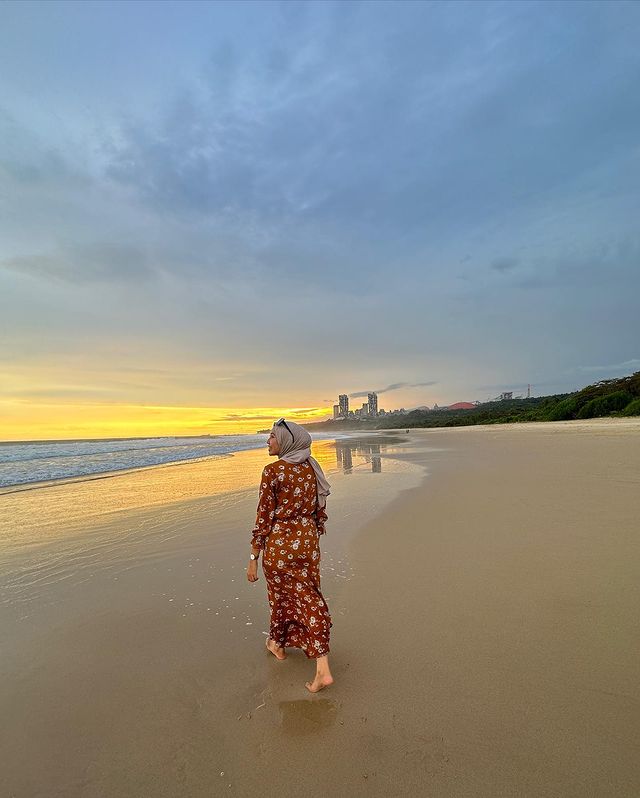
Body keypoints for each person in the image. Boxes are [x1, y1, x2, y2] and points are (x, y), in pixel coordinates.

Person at [246, 418, 334, 693]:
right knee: (304, 594)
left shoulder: (273, 471)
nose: (268, 441)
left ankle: (323, 668)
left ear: (285, 441)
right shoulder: (312, 468)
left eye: (272, 437)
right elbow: (320, 509)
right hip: (307, 543)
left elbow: (264, 517)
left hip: (281, 545)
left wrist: (253, 557)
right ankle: (277, 643)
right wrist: (311, 533)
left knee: (297, 599)